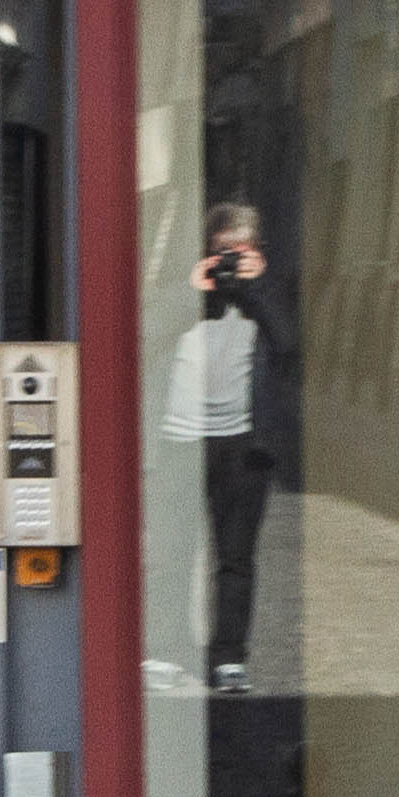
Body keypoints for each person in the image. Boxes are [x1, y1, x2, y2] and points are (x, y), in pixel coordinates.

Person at [164, 199, 298, 690]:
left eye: (240, 251)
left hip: (244, 443)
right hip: (181, 439)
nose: (229, 262)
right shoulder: (188, 292)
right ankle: (170, 653)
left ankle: (228, 660)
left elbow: (287, 346)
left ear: (257, 252)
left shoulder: (268, 296)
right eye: (222, 250)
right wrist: (192, 291)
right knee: (172, 553)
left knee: (235, 558)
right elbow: (147, 334)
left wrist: (255, 288)